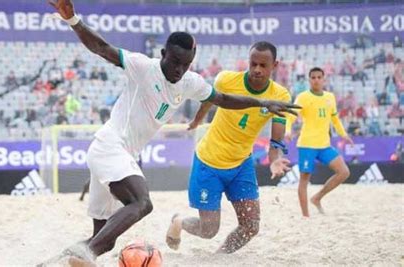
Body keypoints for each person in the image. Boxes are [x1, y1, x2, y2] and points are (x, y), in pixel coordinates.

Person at [45, 1, 299, 266]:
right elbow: (101, 48)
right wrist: (73, 19)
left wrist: (261, 103)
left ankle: (56, 262)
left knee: (104, 239)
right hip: (110, 147)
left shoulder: (189, 82)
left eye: (185, 64)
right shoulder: (143, 66)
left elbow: (222, 98)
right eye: (175, 61)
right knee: (142, 203)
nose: (179, 69)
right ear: (164, 53)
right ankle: (87, 256)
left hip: (117, 155)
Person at [165, 41, 297, 254]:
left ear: (275, 65)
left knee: (251, 227)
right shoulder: (227, 80)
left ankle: (220, 257)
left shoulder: (280, 96)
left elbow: (276, 140)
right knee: (208, 230)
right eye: (253, 63)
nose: (257, 70)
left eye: (263, 65)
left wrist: (274, 159)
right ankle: (179, 221)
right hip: (209, 162)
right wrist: (198, 121)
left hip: (241, 165)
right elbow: (208, 101)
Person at [285, 67, 353, 217]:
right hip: (307, 145)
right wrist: (288, 130)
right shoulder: (303, 97)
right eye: (313, 77)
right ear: (309, 80)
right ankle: (306, 216)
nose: (316, 80)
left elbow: (335, 119)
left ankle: (317, 198)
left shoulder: (330, 97)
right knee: (304, 180)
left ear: (323, 79)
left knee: (344, 172)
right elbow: (291, 115)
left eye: (319, 77)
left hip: (324, 145)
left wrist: (344, 134)